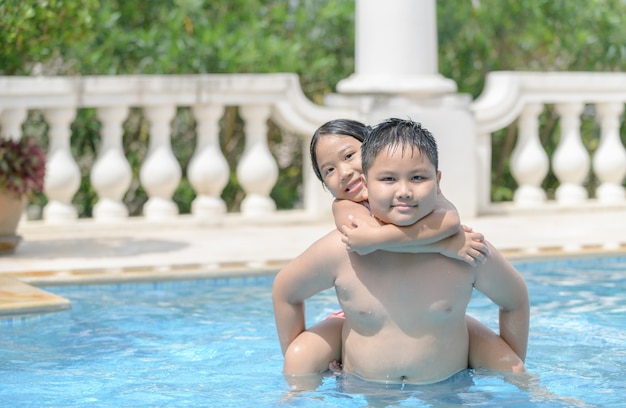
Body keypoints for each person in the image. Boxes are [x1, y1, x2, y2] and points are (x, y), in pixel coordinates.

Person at [273, 118, 529, 387]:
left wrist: (514, 379)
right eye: (329, 170)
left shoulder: (466, 246)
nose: (404, 191)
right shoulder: (345, 234)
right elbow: (285, 290)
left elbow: (515, 298)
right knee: (299, 357)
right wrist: (297, 365)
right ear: (368, 180)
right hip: (364, 381)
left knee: (514, 371)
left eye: (349, 156)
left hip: (448, 378)